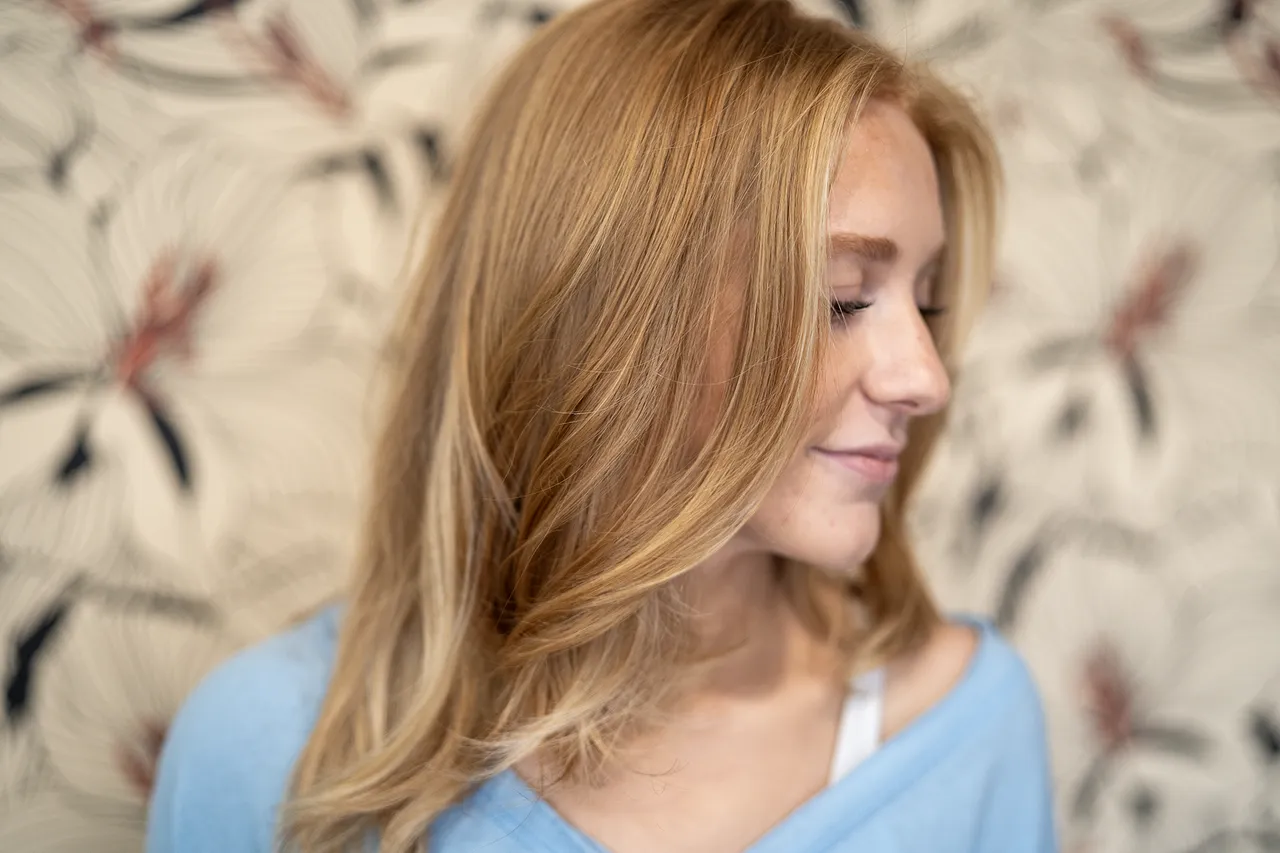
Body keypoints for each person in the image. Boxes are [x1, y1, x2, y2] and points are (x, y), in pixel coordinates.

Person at [146, 0, 1057, 851]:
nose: (927, 379)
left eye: (927, 303)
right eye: (843, 297)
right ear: (607, 321)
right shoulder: (271, 753)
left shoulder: (967, 733)